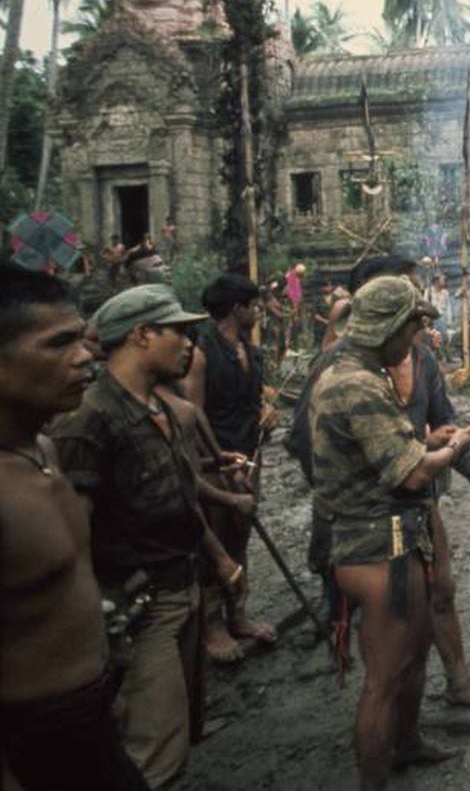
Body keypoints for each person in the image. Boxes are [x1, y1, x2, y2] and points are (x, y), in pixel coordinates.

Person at [52, 285, 246, 788]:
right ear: (141, 335)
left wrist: (219, 560)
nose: (189, 345)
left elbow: (180, 500)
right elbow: (74, 540)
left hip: (180, 586)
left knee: (177, 733)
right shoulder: (90, 421)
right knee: (152, 752)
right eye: (178, 333)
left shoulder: (157, 411)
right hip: (139, 603)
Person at [307, 276, 470, 789]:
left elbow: (382, 449)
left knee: (410, 654)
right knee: (382, 679)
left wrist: (426, 438)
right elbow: (410, 474)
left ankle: (408, 744)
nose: (418, 337)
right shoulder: (357, 383)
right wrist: (453, 449)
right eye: (413, 326)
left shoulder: (355, 372)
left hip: (391, 537)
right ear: (392, 328)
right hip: (376, 546)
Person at [0, 265, 150, 791]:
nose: (87, 355)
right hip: (34, 740)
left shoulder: (42, 450)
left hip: (92, 720)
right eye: (60, 343)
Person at [182, 274, 278, 661]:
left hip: (250, 453)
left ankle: (238, 614)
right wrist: (219, 465)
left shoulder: (250, 352)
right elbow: (192, 415)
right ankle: (213, 626)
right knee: (215, 543)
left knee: (240, 536)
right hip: (216, 460)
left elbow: (254, 400)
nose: (258, 311)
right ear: (237, 308)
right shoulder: (201, 353)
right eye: (254, 306)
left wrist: (267, 412)